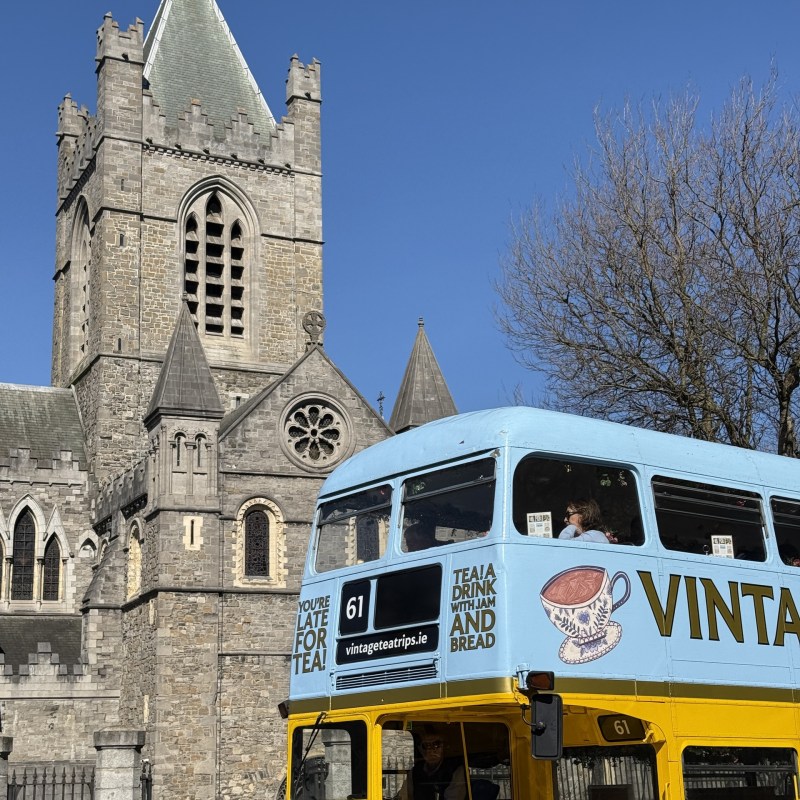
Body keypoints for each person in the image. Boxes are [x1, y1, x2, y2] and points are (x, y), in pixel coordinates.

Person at [400, 729, 466, 800]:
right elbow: (408, 796)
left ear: (444, 747)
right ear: (420, 749)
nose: (430, 750)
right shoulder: (415, 770)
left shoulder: (455, 770)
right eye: (425, 745)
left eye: (436, 744)